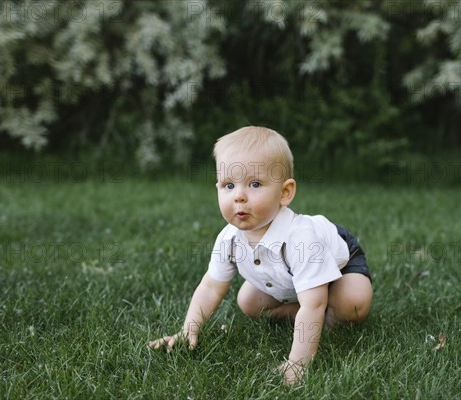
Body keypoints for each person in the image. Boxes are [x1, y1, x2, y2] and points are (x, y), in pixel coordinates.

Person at [149, 126, 373, 384]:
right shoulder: (229, 238)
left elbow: (314, 303)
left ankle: (327, 314)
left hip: (341, 263)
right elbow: (211, 287)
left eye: (254, 184)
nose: (239, 196)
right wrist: (188, 329)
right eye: (228, 185)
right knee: (248, 302)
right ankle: (292, 310)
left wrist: (297, 364)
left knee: (353, 303)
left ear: (285, 193)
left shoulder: (301, 240)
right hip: (290, 276)